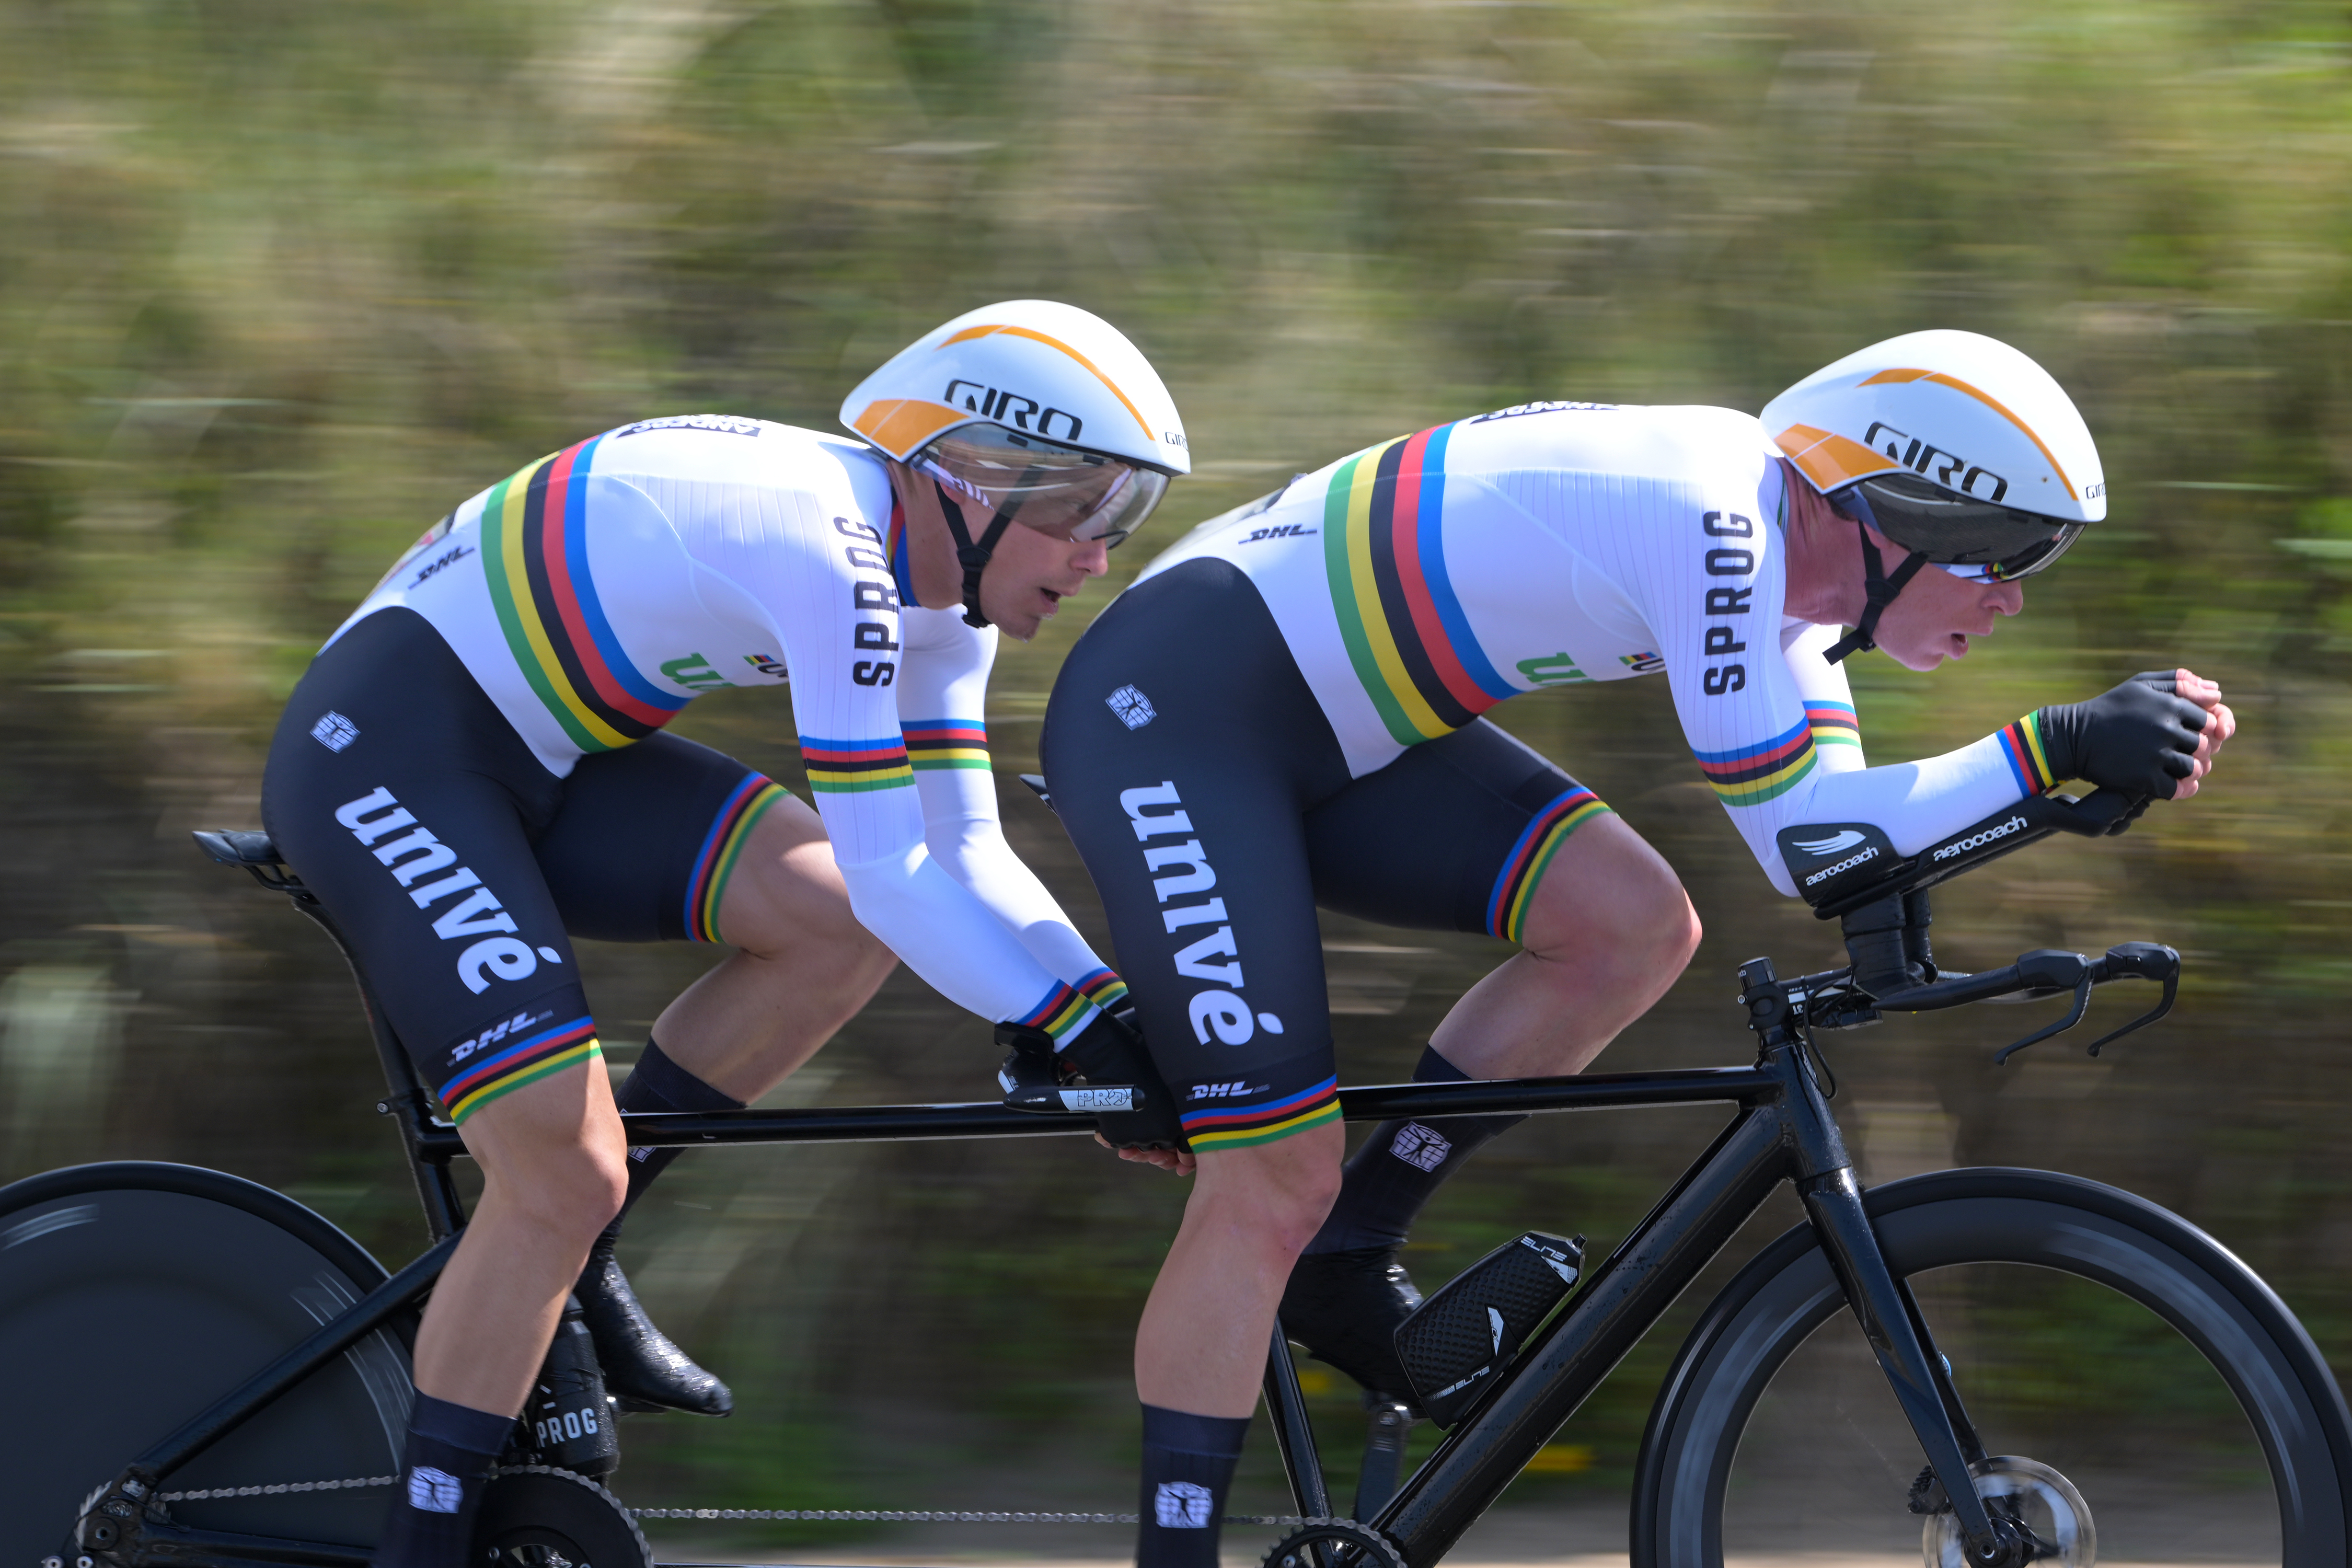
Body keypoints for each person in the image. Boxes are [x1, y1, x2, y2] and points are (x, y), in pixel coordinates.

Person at [1033, 330, 2236, 1568]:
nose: (2015, 592)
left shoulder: (1796, 602)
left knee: (1630, 928)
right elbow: (1803, 840)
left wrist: (2061, 785)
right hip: (1173, 710)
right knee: (1268, 1177)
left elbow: (1838, 844)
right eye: (2009, 548)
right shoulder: (1721, 523)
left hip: (1338, 733)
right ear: (1894, 509)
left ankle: (1348, 1255)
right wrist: (2055, 745)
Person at [260, 299, 1189, 1564]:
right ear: (972, 473)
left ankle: (580, 1254)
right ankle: (421, 1540)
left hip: (552, 753)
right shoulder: (833, 553)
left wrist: (1108, 1012)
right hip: (392, 755)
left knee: (829, 924)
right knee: (560, 1175)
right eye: (1088, 511)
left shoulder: (937, 604)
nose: (1100, 554)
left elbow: (964, 850)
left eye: (1124, 519)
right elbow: (900, 867)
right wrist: (1070, 1032)